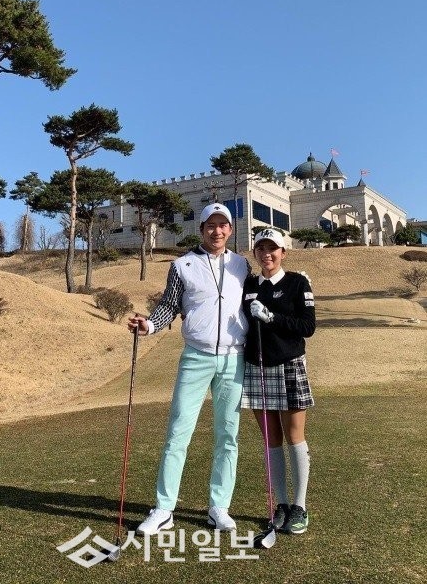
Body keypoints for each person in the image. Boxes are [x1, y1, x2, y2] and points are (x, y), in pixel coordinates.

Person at [127, 203, 251, 535]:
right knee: (178, 433)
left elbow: (252, 304)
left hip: (234, 358)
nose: (217, 231)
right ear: (201, 229)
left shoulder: (242, 265)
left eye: (223, 225)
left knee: (228, 436)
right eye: (211, 225)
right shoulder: (182, 265)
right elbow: (170, 304)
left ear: (230, 229)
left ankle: (219, 507)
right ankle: (164, 508)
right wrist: (150, 325)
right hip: (196, 357)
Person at [242, 228, 315, 535]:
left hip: (289, 364)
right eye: (261, 249)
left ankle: (299, 506)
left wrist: (271, 317)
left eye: (272, 249)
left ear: (283, 252)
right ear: (255, 253)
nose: (266, 254)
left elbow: (308, 326)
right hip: (257, 366)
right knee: (271, 440)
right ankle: (281, 504)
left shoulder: (298, 282)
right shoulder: (249, 284)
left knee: (294, 436)